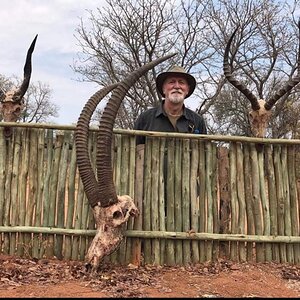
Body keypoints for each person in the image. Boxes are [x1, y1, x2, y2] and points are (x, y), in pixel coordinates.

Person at [134, 65, 207, 144]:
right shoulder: (145, 118)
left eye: (181, 82)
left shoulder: (198, 121)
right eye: (172, 82)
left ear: (187, 90)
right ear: (163, 89)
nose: (176, 86)